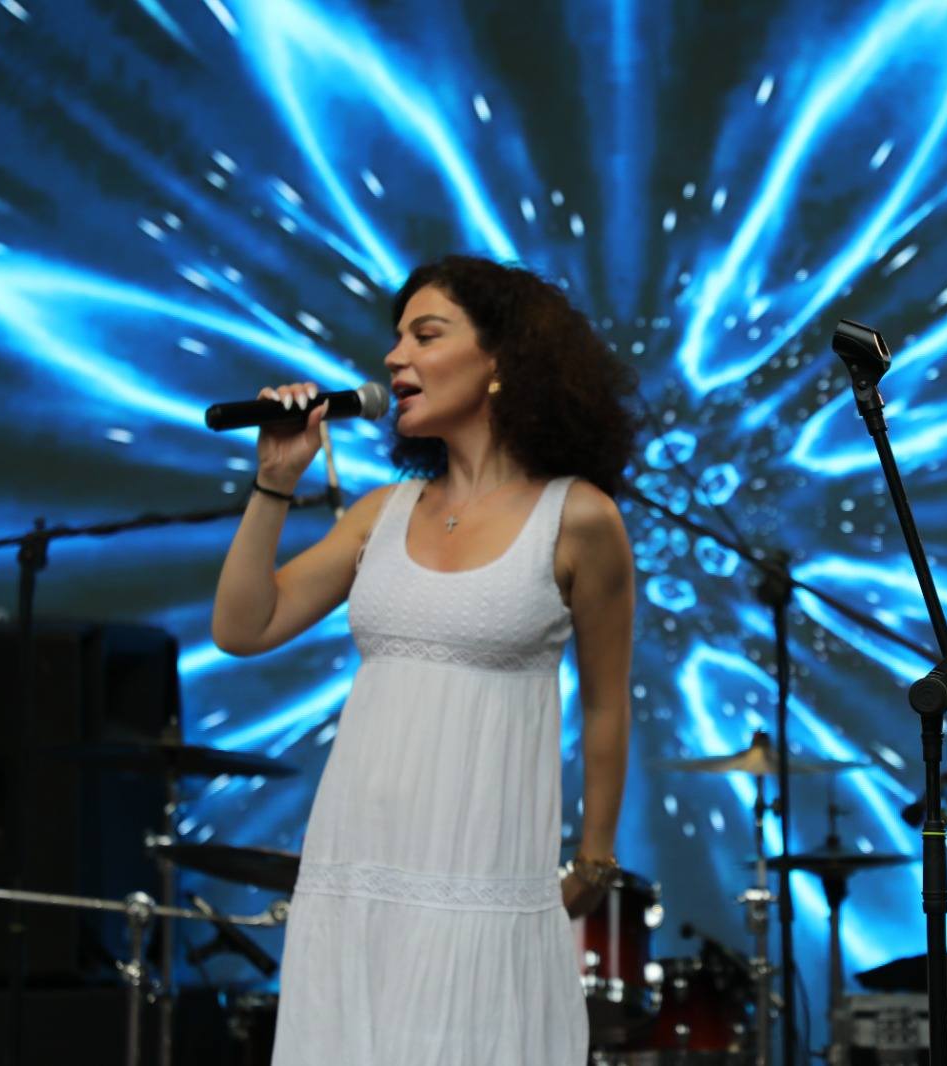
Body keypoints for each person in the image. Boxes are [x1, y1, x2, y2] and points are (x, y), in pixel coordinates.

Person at [211, 255, 637, 1064]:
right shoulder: (380, 513)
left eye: (426, 335)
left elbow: (606, 703)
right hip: (356, 866)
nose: (393, 357)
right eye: (396, 337)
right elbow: (244, 626)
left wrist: (595, 855)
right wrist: (274, 483)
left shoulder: (579, 518)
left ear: (502, 359)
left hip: (483, 871)